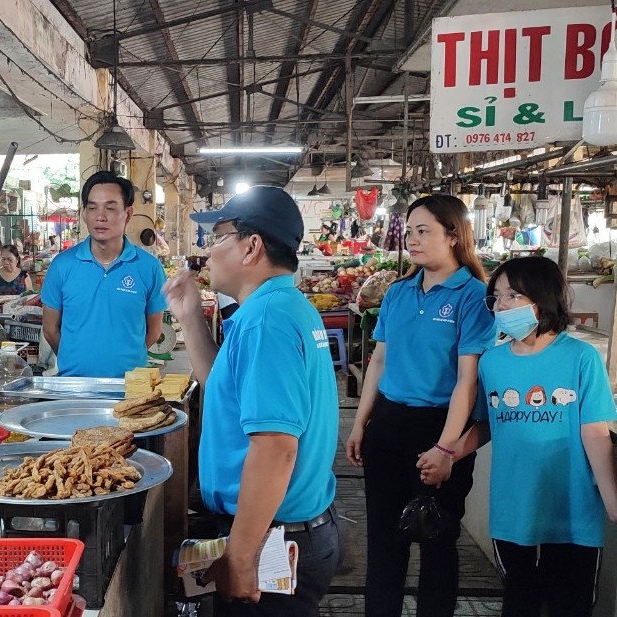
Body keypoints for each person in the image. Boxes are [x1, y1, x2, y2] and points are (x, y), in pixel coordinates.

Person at [164, 186, 340, 616]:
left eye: (217, 236)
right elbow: (224, 391)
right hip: (280, 528)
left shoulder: (266, 320)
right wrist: (188, 315)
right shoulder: (279, 306)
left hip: (273, 539)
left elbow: (276, 447)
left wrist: (241, 557)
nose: (206, 252)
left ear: (251, 247)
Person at [426, 257, 617, 617]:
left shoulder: (581, 358)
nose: (502, 306)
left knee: (570, 606)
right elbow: (485, 426)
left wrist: (611, 501)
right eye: (496, 298)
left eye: (513, 295)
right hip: (514, 509)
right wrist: (448, 456)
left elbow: (594, 432)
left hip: (574, 512)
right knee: (519, 601)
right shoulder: (492, 363)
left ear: (543, 298)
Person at [344, 194, 495, 617]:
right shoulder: (398, 292)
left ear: (453, 236)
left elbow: (468, 380)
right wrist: (360, 425)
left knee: (437, 541)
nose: (412, 239)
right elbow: (378, 361)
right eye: (409, 231)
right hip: (389, 425)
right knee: (385, 542)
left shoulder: (473, 296)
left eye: (423, 231)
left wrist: (447, 449)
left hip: (441, 426)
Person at [41, 171, 167, 377]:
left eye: (110, 208)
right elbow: (50, 330)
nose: (100, 216)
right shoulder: (62, 266)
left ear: (127, 213)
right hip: (74, 390)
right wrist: (76, 360)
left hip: (130, 390)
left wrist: (124, 360)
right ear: (83, 213)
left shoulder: (149, 268)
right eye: (92, 208)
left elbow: (154, 332)